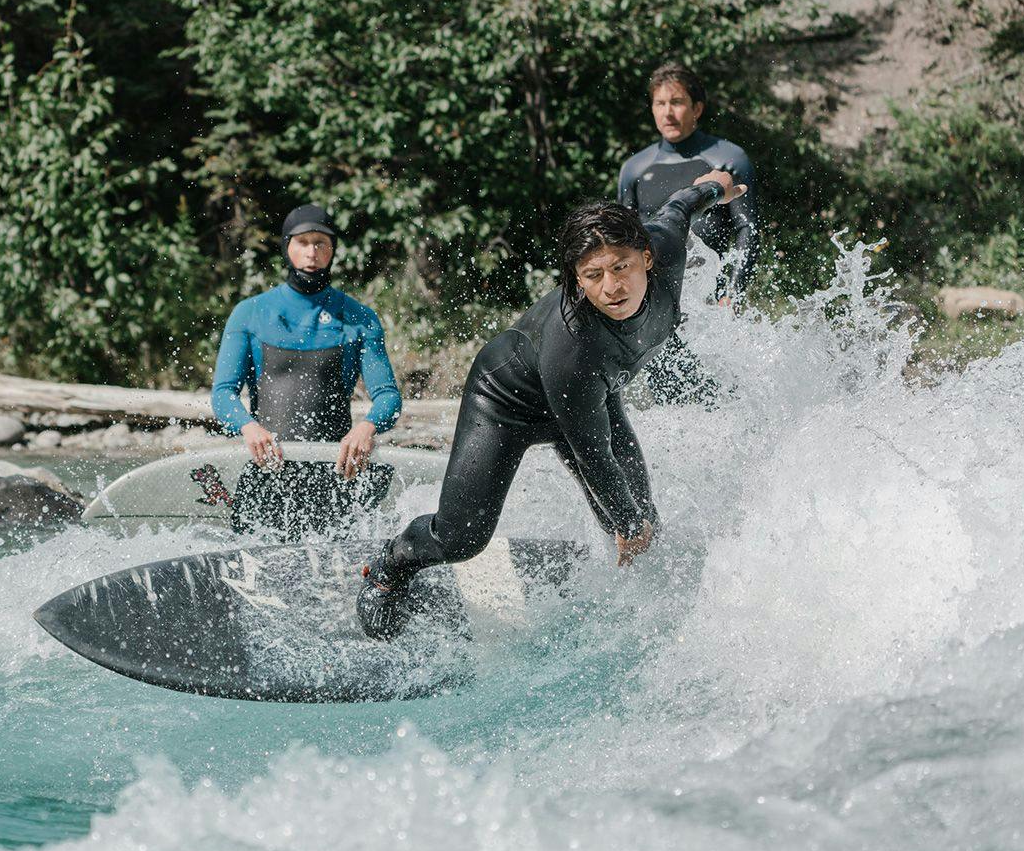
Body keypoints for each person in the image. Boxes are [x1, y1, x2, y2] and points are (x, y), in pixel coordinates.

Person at [355, 174, 745, 640]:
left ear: (646, 257)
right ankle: (390, 564)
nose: (612, 288)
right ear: (578, 279)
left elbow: (681, 203)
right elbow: (592, 452)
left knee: (644, 519)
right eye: (593, 276)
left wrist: (717, 187)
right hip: (506, 403)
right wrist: (625, 523)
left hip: (593, 397)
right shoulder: (573, 345)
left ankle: (645, 624)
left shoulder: (666, 247)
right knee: (461, 539)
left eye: (621, 267)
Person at [211, 205, 402, 482]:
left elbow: (388, 396)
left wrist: (367, 427)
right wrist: (247, 427)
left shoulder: (360, 318)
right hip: (267, 472)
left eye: (320, 243)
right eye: (302, 242)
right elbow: (223, 393)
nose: (311, 252)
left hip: (337, 472)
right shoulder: (250, 313)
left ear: (332, 250)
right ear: (287, 247)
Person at [618, 63, 757, 404]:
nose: (668, 112)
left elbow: (747, 230)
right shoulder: (635, 169)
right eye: (660, 104)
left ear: (697, 108)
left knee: (723, 397)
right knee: (670, 400)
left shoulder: (728, 159)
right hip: (658, 303)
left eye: (677, 102)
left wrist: (731, 291)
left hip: (709, 300)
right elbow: (624, 245)